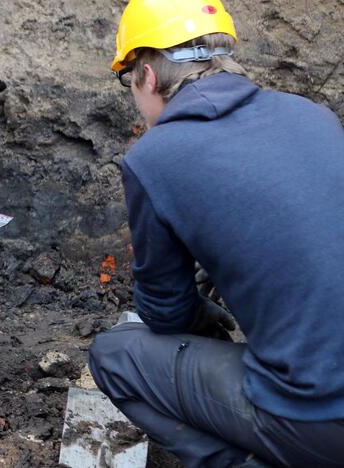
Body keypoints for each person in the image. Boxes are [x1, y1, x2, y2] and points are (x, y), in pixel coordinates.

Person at [87, 0, 344, 466]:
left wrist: (201, 313)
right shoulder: (315, 115)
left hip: (318, 419)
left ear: (145, 75)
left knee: (114, 355)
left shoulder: (155, 158)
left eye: (129, 80)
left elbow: (164, 312)